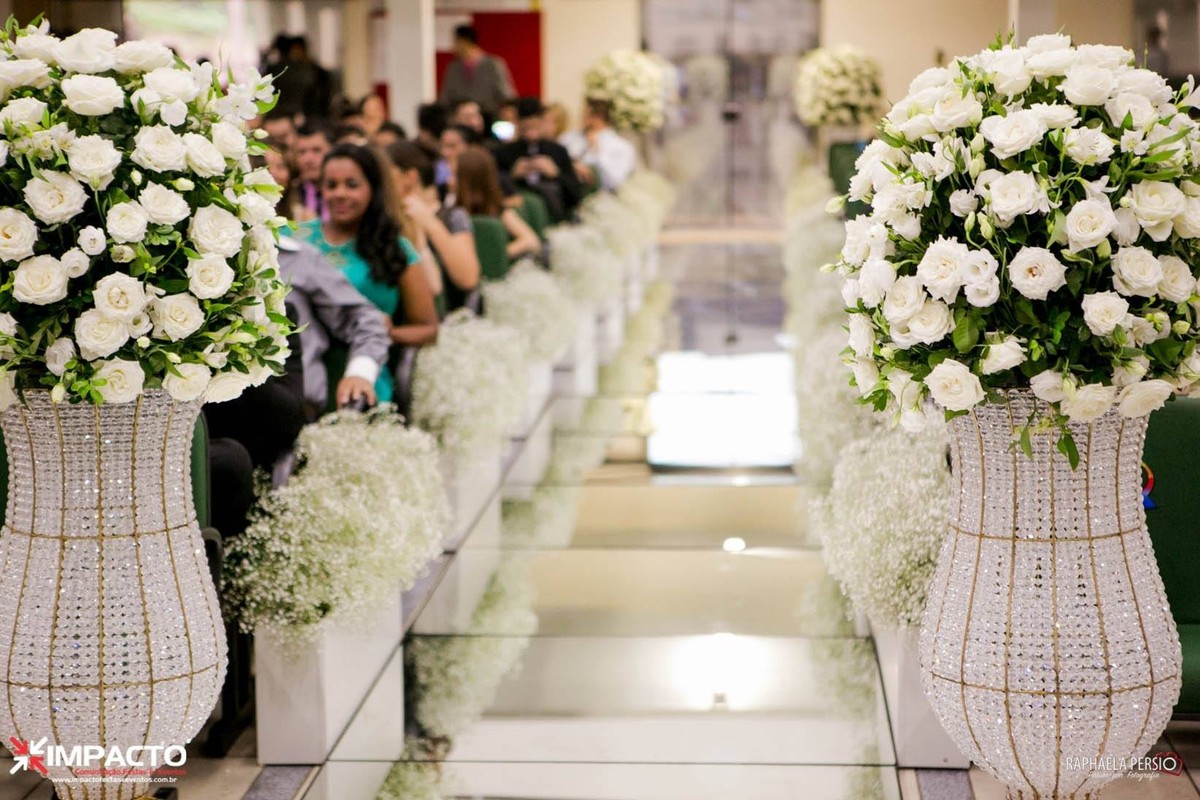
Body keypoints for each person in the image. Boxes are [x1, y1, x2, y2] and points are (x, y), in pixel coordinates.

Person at [295, 144, 439, 403]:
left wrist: (389, 332)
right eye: (331, 185)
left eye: (352, 184)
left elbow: (429, 329)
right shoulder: (296, 239)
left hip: (362, 373)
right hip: (297, 373)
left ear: (373, 189)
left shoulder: (395, 249)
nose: (340, 193)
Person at [389, 141, 481, 315]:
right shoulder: (385, 219)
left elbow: (468, 279)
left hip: (453, 318)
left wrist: (428, 222)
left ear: (410, 177)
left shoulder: (451, 216)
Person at [492, 96, 582, 223]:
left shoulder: (557, 151)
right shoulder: (503, 153)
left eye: (534, 127)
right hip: (522, 216)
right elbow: (493, 189)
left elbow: (576, 195)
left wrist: (555, 174)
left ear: (542, 122)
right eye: (525, 128)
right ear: (518, 124)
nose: (530, 134)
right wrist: (512, 175)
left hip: (555, 217)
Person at [455, 145, 540, 260]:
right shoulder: (452, 207)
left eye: (455, 175)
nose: (450, 180)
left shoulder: (498, 210)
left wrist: (495, 254)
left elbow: (531, 241)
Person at [559, 98, 638, 192]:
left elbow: (616, 183)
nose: (581, 119)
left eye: (585, 115)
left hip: (602, 198)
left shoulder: (622, 147)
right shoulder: (569, 137)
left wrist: (597, 152)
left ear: (597, 117)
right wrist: (572, 167)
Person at [439, 24, 515, 119]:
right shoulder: (453, 68)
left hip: (489, 117)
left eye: (456, 42)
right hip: (461, 119)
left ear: (465, 41)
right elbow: (446, 97)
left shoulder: (492, 64)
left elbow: (505, 93)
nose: (453, 46)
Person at [293, 121, 335, 221]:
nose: (308, 159)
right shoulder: (290, 195)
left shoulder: (346, 193)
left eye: (317, 150)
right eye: (302, 152)